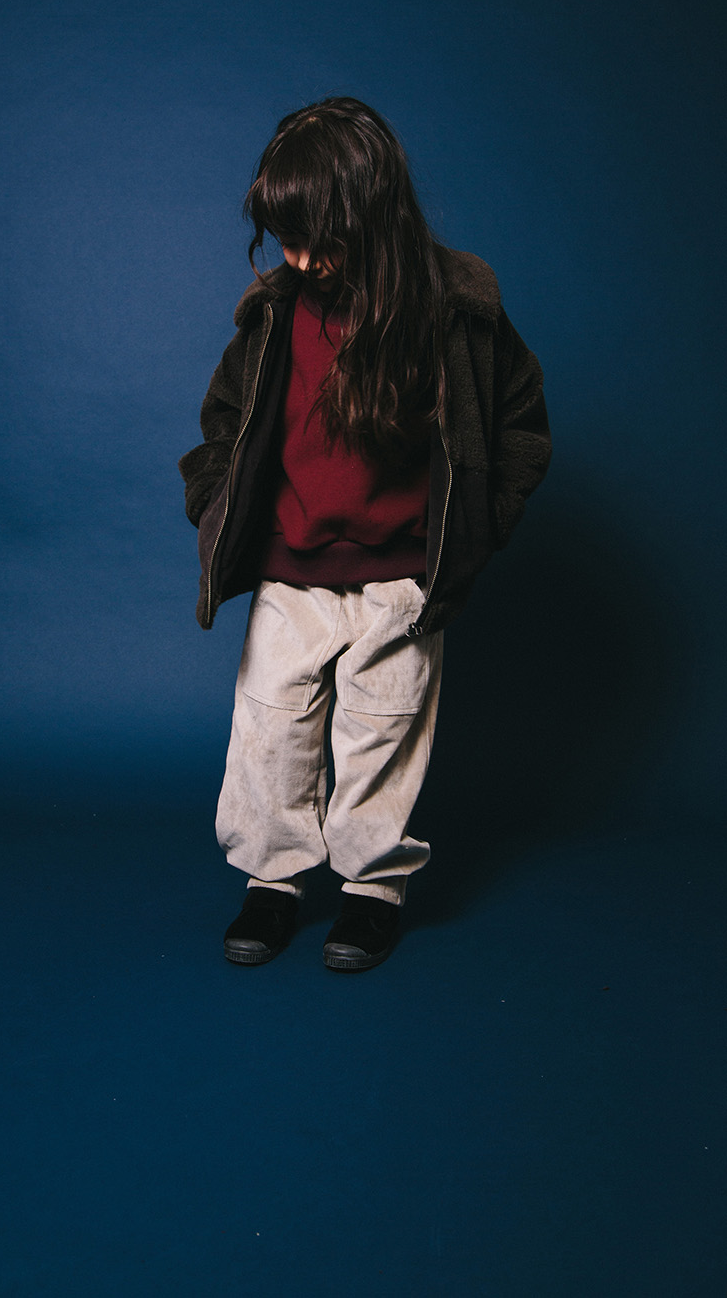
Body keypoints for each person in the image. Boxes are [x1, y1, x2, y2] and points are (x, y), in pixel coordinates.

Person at [179, 97, 551, 971]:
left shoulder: (455, 308)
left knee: (382, 735)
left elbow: (519, 421)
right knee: (270, 732)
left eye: (317, 240)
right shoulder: (275, 312)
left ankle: (372, 891)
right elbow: (225, 419)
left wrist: (477, 529)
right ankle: (273, 883)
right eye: (285, 240)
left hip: (402, 578)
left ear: (373, 218)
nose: (301, 261)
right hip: (290, 569)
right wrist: (215, 500)